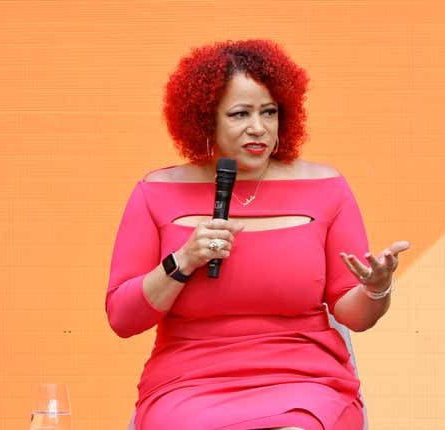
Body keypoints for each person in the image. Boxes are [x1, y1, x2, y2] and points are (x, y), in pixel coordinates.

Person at [106, 39, 410, 430]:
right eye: (239, 114)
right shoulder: (155, 192)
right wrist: (183, 261)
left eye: (269, 112)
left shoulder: (327, 188)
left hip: (304, 381)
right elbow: (122, 318)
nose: (258, 128)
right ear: (205, 118)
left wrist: (376, 289)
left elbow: (353, 314)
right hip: (188, 386)